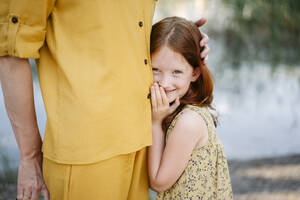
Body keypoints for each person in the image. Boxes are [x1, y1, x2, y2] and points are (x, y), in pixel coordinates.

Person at [0, 1, 209, 199]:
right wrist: (30, 155)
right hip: (89, 147)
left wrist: (183, 40)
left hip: (141, 138)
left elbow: (124, 30)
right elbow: (10, 51)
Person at [148, 16, 233, 200]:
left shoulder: (189, 122)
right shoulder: (182, 109)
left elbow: (158, 182)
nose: (164, 82)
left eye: (176, 72)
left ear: (195, 73)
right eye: (155, 69)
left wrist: (156, 123)